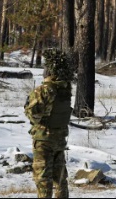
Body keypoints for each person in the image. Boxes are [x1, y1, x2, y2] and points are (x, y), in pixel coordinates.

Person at [25, 49, 74, 198]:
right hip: (60, 138)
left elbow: (34, 115)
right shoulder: (65, 89)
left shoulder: (44, 90)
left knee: (43, 179)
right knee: (60, 178)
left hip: (44, 140)